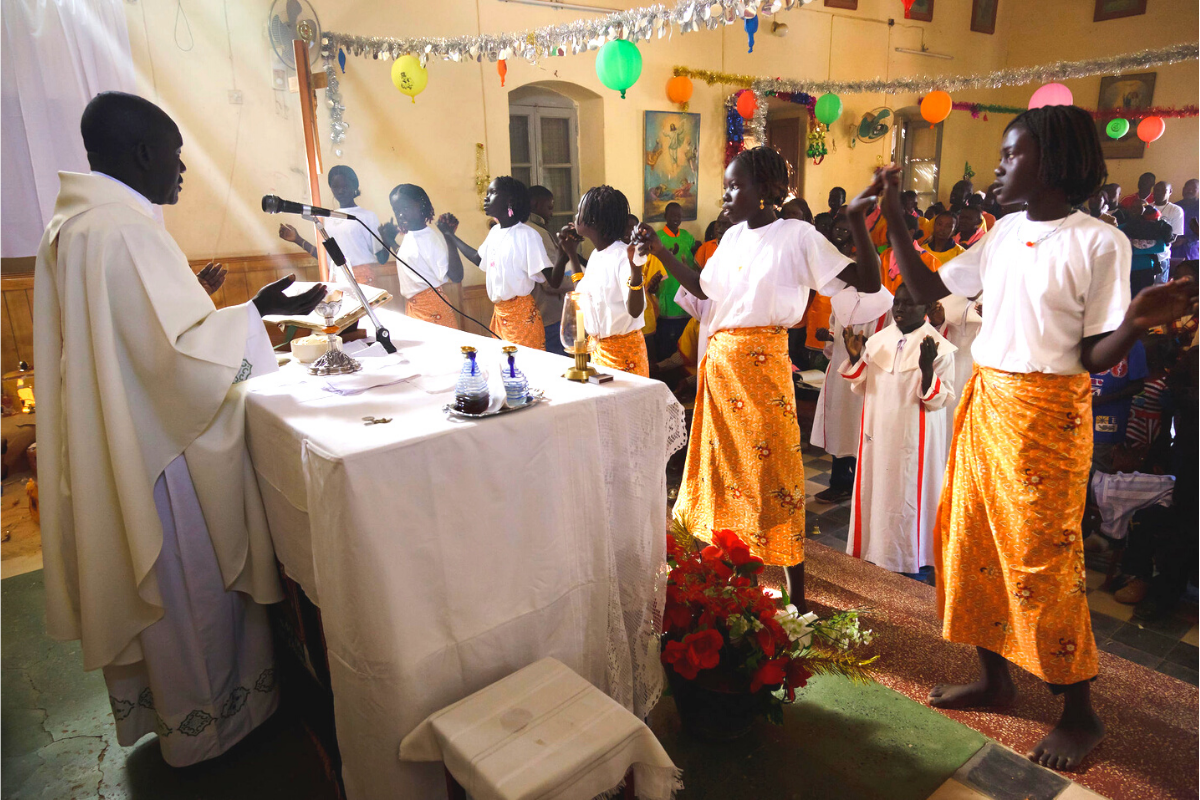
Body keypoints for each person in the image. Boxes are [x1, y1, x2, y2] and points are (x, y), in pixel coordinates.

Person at [877, 103, 1197, 771]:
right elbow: (931, 287)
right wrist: (897, 221)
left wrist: (1135, 323)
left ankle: (1080, 712)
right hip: (987, 399)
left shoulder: (1098, 240)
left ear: (1052, 165)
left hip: (1049, 414)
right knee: (972, 541)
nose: (999, 164)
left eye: (1012, 153)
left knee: (1041, 563)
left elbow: (1092, 355)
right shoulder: (1003, 232)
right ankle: (994, 674)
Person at [33, 92, 327, 767]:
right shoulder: (119, 228)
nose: (183, 171)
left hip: (123, 436)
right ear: (141, 153)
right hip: (161, 453)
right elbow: (176, 363)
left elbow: (148, 342)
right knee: (191, 589)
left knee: (170, 595)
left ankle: (179, 713)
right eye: (175, 155)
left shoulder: (79, 224)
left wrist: (245, 313)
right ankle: (215, 725)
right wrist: (256, 312)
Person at [644, 146, 883, 610]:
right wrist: (659, 253)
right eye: (727, 184)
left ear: (767, 190)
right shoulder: (731, 238)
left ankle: (798, 598)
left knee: (774, 475)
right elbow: (702, 288)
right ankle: (724, 575)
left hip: (763, 366)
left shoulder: (798, 235)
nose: (727, 194)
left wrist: (857, 221)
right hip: (721, 368)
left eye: (736, 185)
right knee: (720, 474)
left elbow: (867, 282)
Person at [841, 283, 956, 578]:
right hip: (877, 436)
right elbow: (862, 384)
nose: (900, 309)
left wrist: (927, 369)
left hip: (913, 440)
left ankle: (910, 556)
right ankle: (874, 549)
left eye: (909, 303)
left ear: (926, 308)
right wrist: (856, 358)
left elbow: (941, 399)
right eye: (898, 303)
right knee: (875, 488)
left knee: (908, 496)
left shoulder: (938, 347)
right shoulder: (878, 340)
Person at [439, 177, 551, 349]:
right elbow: (479, 258)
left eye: (492, 193)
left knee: (523, 370)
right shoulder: (495, 232)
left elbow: (547, 275)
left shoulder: (527, 235)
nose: (486, 198)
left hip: (522, 319)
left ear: (510, 200)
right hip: (499, 316)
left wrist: (568, 254)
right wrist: (451, 236)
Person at [548, 187, 648, 376]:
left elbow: (635, 310)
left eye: (579, 212)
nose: (576, 216)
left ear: (593, 219)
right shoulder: (597, 255)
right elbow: (583, 294)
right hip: (599, 351)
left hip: (624, 354)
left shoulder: (621, 256)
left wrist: (636, 270)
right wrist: (572, 254)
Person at [810, 287, 893, 504]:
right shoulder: (842, 300)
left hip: (868, 377)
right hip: (840, 371)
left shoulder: (887, 303)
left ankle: (861, 487)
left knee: (862, 429)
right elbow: (833, 332)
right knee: (841, 427)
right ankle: (839, 482)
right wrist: (828, 336)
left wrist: (865, 346)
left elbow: (892, 343)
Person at [280, 164, 387, 287]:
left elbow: (381, 256)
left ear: (355, 186)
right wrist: (297, 239)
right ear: (331, 188)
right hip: (338, 279)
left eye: (345, 186)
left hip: (364, 279)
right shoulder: (328, 218)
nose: (341, 191)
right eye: (336, 187)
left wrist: (387, 240)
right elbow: (326, 258)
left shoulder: (367, 216)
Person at [381, 183, 461, 328]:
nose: (400, 214)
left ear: (421, 205)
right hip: (414, 309)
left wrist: (449, 237)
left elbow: (456, 276)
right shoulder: (411, 235)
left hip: (433, 311)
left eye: (405, 208)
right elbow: (411, 259)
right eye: (396, 210)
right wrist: (391, 242)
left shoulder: (430, 238)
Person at [526, 185, 573, 354]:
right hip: (548, 314)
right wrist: (579, 282)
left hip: (534, 315)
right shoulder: (536, 232)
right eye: (549, 208)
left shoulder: (523, 229)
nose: (551, 214)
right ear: (535, 204)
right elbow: (552, 283)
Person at [1089, 339, 1148, 473]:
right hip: (1076, 419)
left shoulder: (1132, 343)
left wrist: (1104, 399)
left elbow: (1138, 385)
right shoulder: (1085, 339)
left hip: (1108, 419)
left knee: (1099, 472)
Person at [654, 202, 697, 358]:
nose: (676, 218)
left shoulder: (687, 236)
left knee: (685, 344)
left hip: (687, 295)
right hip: (667, 294)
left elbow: (694, 261)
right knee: (667, 344)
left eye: (679, 216)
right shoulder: (658, 237)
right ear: (665, 216)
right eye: (672, 215)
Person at [626, 213, 667, 362]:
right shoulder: (615, 254)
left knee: (649, 363)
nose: (629, 233)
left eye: (633, 229)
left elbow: (652, 289)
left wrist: (653, 285)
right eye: (626, 228)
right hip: (622, 326)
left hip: (645, 319)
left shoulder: (647, 252)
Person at [1118, 199, 1174, 296]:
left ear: (1146, 210)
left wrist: (1132, 248)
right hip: (1124, 270)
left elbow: (1160, 247)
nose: (1134, 210)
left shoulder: (1156, 227)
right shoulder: (1122, 227)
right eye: (1132, 208)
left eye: (1139, 208)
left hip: (1145, 270)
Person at [1172, 179, 1199, 261]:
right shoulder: (1174, 207)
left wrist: (1187, 240)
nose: (1190, 191)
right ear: (1183, 190)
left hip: (1192, 250)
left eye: (1194, 189)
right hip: (1173, 249)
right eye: (1188, 188)